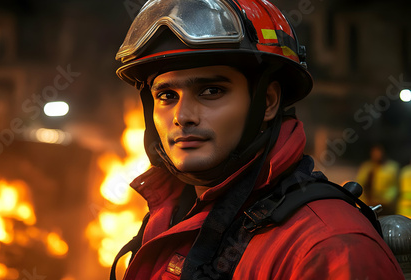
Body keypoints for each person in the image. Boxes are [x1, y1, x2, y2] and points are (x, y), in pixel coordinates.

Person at [112, 0, 404, 279]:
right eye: (166, 96)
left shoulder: (331, 247)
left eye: (211, 91)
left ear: (267, 101)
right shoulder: (169, 217)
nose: (182, 116)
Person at [356, 144, 399, 215]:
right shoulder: (366, 167)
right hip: (368, 204)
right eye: (375, 153)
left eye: (379, 152)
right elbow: (361, 184)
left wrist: (385, 200)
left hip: (385, 207)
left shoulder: (392, 168)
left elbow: (394, 187)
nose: (377, 155)